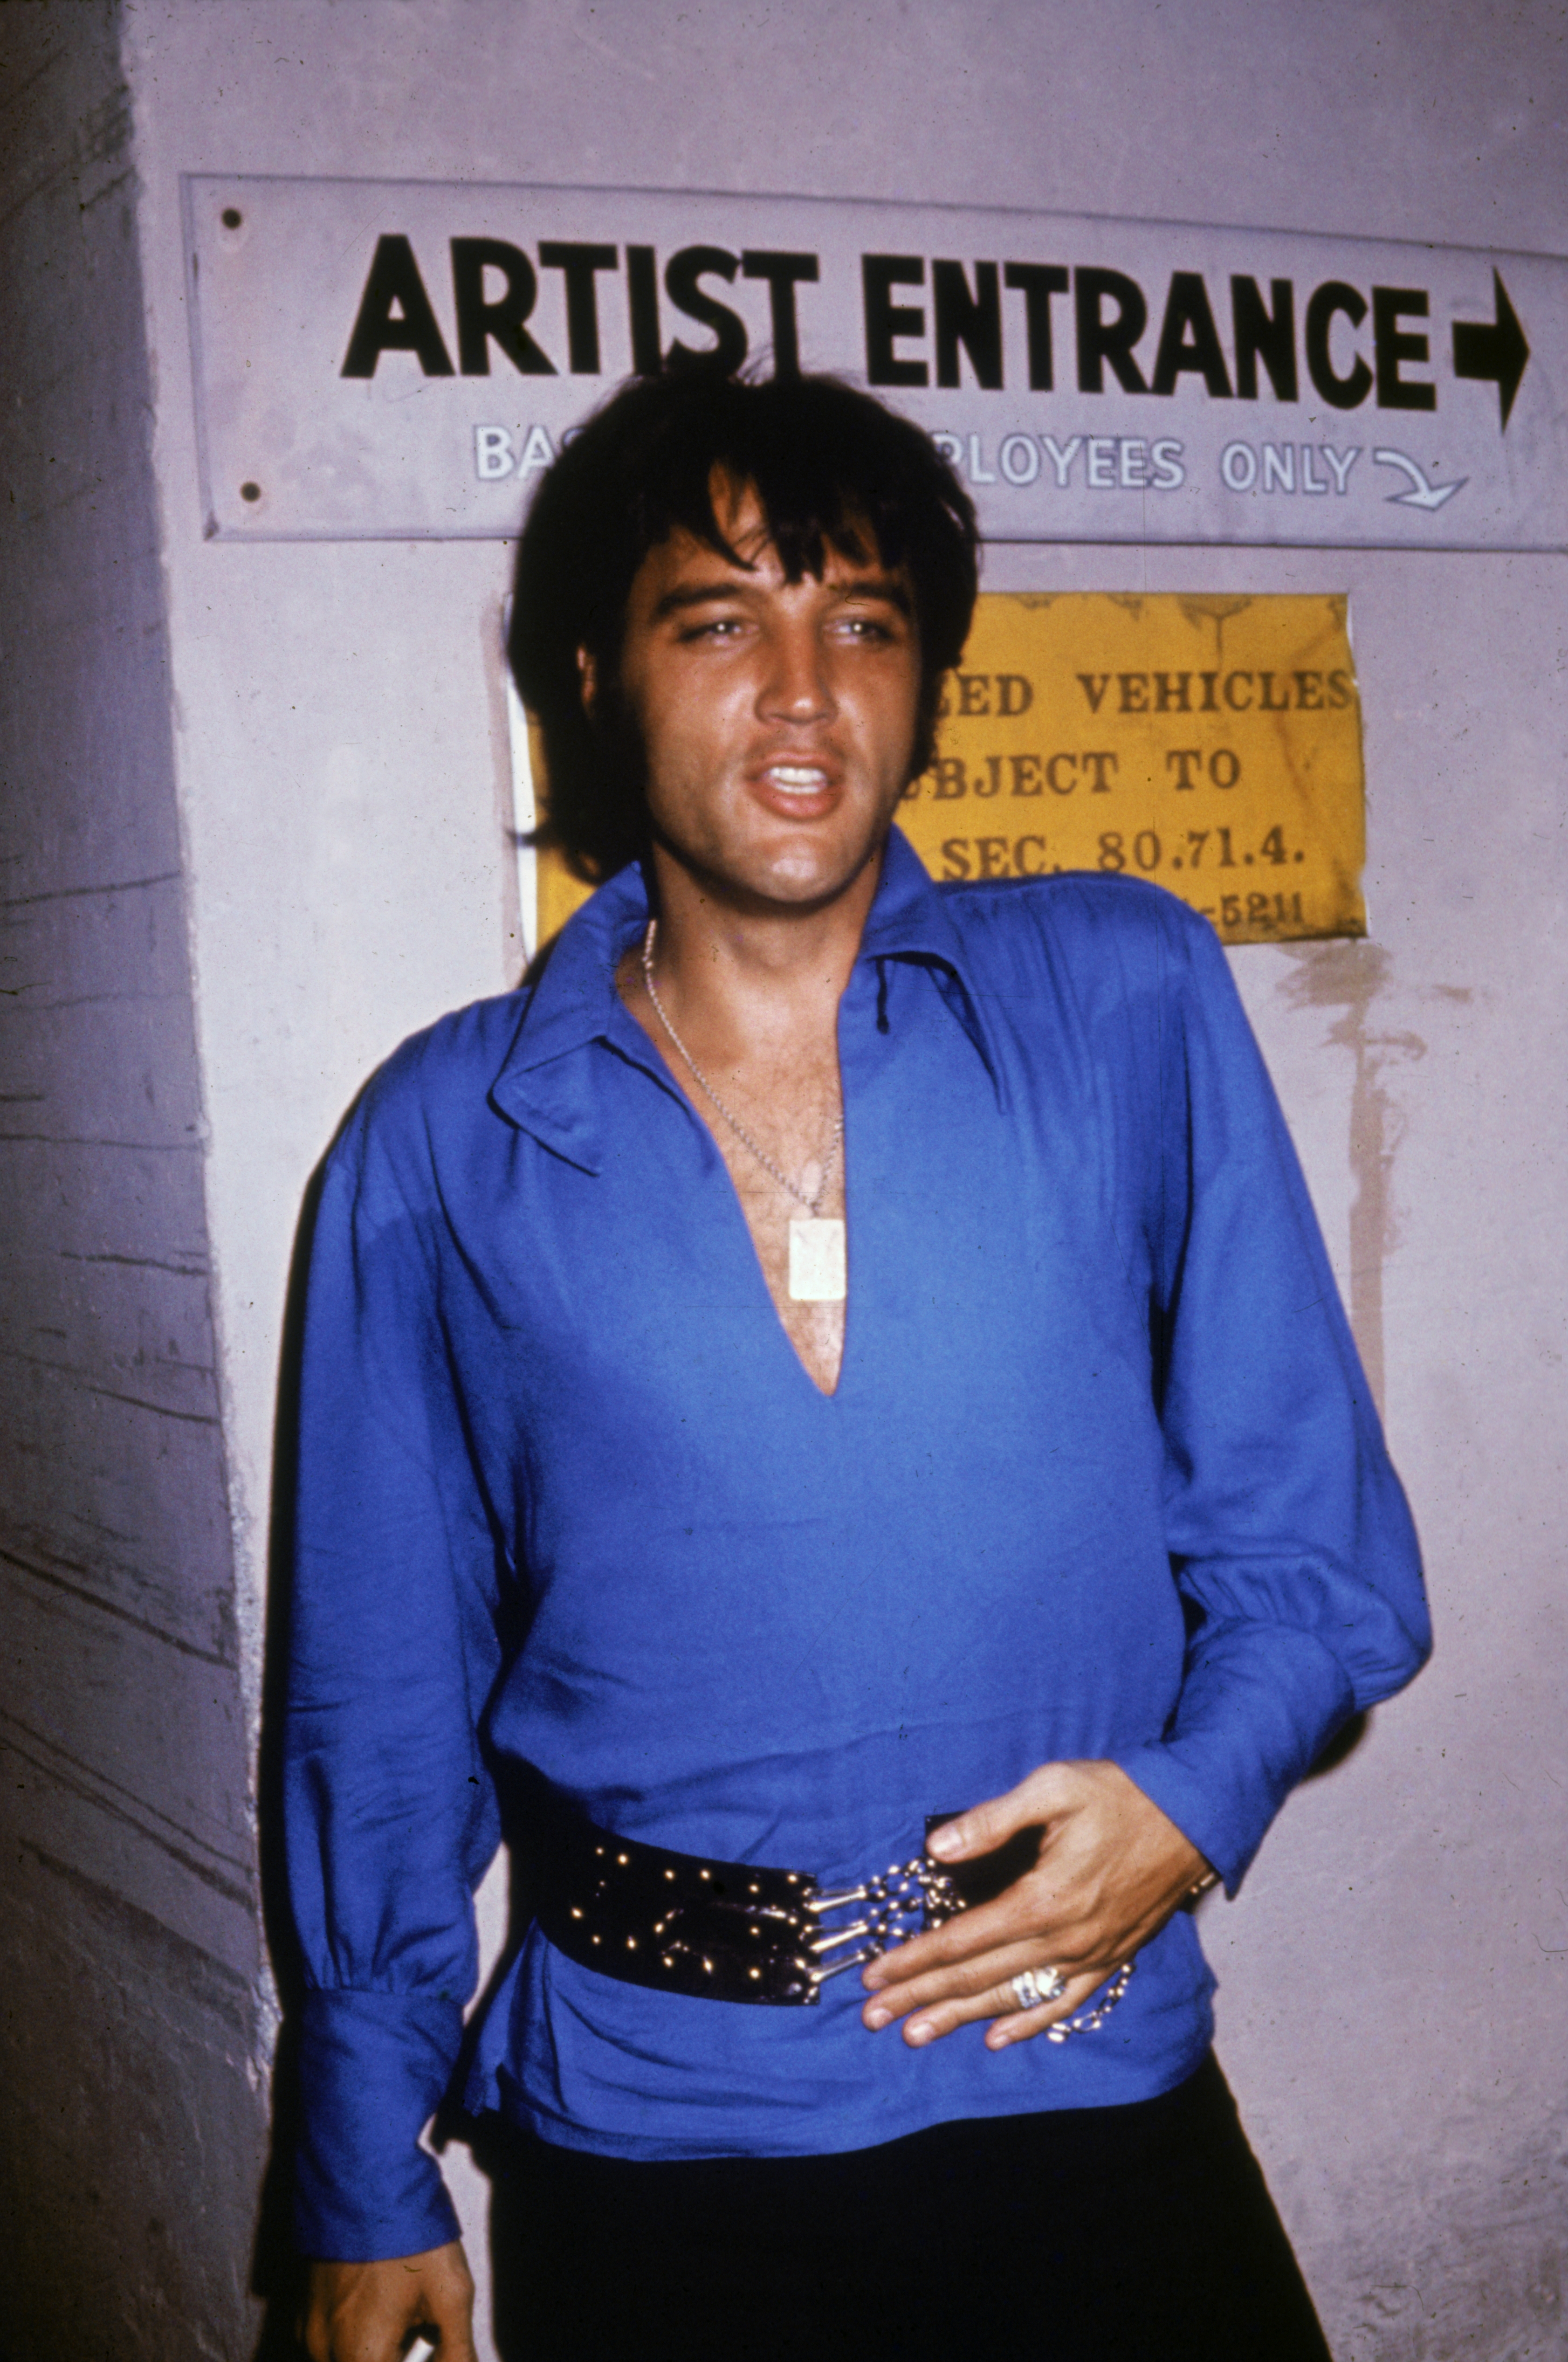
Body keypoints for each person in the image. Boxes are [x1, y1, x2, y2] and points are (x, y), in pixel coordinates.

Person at [287, 364, 1430, 2362]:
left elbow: (1311, 1542)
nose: (801, 694)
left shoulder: (1123, 994)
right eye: (719, 620)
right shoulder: (440, 1142)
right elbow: (378, 1700)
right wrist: (361, 2158)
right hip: (653, 2149)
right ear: (594, 674)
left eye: (864, 625)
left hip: (1085, 2080)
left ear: (928, 684)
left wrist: (1193, 1794)